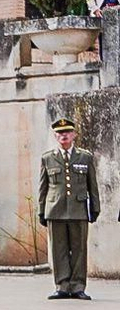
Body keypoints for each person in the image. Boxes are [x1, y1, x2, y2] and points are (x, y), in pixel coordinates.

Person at [38, 117, 101, 300]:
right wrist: (41, 210)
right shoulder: (47, 158)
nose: (63, 135)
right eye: (60, 133)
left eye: (67, 132)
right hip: (55, 209)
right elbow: (43, 187)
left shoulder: (85, 157)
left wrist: (95, 207)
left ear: (73, 135)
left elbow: (92, 185)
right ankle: (62, 286)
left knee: (79, 249)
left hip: (78, 208)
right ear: (56, 136)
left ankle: (78, 286)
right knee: (59, 250)